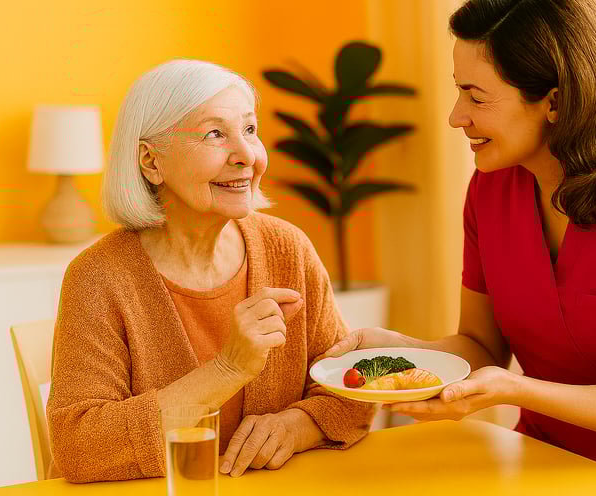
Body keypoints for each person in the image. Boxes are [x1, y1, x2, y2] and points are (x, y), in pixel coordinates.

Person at [321, 0, 596, 494]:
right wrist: (401, 353)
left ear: (556, 100)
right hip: (552, 460)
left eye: (476, 97)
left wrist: (514, 390)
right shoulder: (491, 189)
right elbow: (481, 347)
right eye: (459, 90)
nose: (455, 116)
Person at [46, 59, 373, 483]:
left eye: (251, 130)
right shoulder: (98, 277)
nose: (247, 156)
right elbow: (78, 447)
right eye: (215, 134)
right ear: (150, 161)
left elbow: (349, 387)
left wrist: (298, 427)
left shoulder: (287, 248)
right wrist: (228, 370)